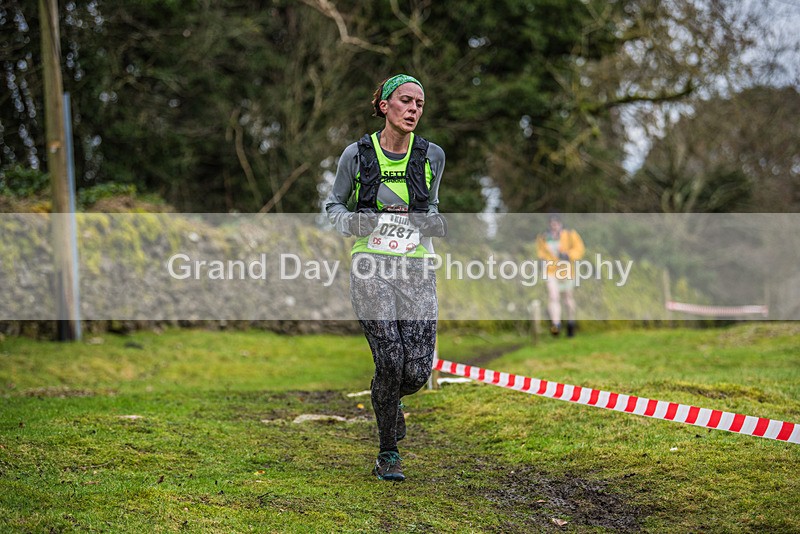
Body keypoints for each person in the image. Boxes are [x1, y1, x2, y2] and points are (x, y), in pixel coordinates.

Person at [325, 74, 446, 482]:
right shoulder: (356, 155)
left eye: (420, 104)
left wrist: (434, 223)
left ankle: (391, 404)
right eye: (405, 101)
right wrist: (354, 224)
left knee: (416, 371)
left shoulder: (432, 156)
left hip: (416, 268)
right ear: (384, 106)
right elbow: (333, 205)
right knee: (390, 359)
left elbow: (432, 207)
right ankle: (387, 452)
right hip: (370, 267)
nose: (413, 109)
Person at [536, 212, 585, 337]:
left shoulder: (570, 235)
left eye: (556, 223)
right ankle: (556, 325)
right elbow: (541, 252)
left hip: (566, 271)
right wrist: (541, 261)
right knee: (553, 296)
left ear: (560, 223)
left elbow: (580, 249)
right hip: (551, 271)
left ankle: (570, 322)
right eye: (552, 224)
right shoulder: (543, 237)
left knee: (567, 299)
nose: (554, 226)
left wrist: (568, 255)